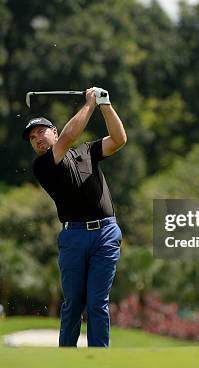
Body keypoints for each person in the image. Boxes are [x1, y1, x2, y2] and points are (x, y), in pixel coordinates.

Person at [22, 87, 126, 347]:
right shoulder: (43, 166)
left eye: (41, 132)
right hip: (74, 236)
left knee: (97, 303)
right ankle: (66, 357)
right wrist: (90, 103)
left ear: (53, 131)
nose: (37, 139)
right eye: (32, 138)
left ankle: (98, 359)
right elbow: (69, 136)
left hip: (105, 233)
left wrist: (105, 104)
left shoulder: (87, 151)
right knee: (74, 304)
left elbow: (119, 139)